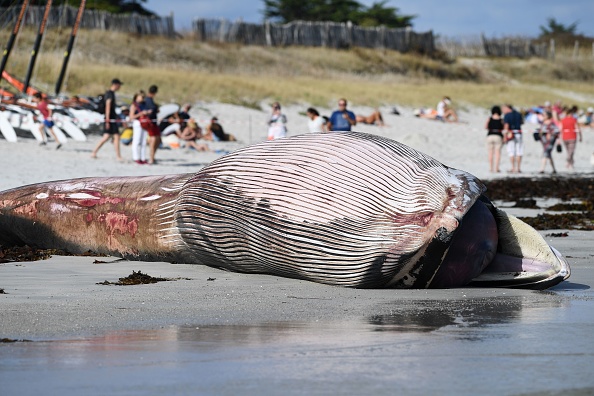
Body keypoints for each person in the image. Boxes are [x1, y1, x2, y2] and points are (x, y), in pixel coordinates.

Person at [91, 78, 123, 160]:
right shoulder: (110, 94)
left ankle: (118, 155)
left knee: (113, 136)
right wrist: (108, 120)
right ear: (116, 84)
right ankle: (94, 152)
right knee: (109, 137)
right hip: (110, 118)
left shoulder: (110, 93)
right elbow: (108, 106)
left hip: (111, 118)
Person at [502, 104, 524, 173]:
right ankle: (518, 168)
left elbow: (506, 126)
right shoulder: (518, 114)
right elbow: (522, 122)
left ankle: (513, 167)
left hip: (510, 134)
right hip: (518, 133)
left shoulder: (507, 115)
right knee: (519, 151)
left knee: (511, 151)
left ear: (507, 108)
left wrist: (505, 137)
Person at [128, 93, 149, 164]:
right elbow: (131, 116)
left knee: (143, 141)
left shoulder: (144, 104)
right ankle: (136, 157)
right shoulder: (134, 105)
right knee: (136, 141)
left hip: (144, 123)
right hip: (137, 122)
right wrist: (141, 114)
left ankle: (143, 157)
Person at [485, 105, 504, 173]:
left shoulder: (489, 118)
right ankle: (497, 168)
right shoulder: (501, 119)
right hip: (498, 136)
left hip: (490, 135)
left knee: (490, 153)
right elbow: (503, 128)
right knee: (497, 153)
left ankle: (491, 168)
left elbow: (486, 126)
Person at [144, 85, 160, 164]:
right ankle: (151, 158)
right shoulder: (148, 100)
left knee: (157, 139)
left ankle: (152, 157)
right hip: (151, 122)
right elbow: (150, 110)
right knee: (153, 139)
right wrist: (155, 109)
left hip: (153, 122)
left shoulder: (148, 99)